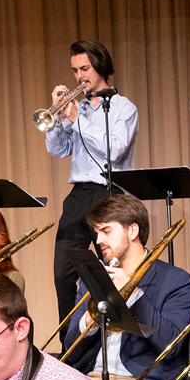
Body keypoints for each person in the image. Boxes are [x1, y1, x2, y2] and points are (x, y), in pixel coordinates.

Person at [62, 194, 190, 380]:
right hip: (90, 376)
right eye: (96, 232)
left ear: (132, 231)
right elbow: (70, 349)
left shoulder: (176, 280)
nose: (98, 239)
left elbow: (171, 345)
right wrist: (89, 321)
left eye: (106, 231)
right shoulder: (92, 276)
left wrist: (134, 295)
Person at [44, 39, 139, 343]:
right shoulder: (78, 108)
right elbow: (59, 151)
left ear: (100, 66)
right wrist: (57, 120)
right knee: (62, 273)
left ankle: (113, 340)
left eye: (84, 68)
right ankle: (69, 344)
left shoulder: (123, 107)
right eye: (74, 70)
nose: (79, 76)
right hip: (79, 193)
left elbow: (116, 148)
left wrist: (77, 119)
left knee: (110, 272)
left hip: (111, 194)